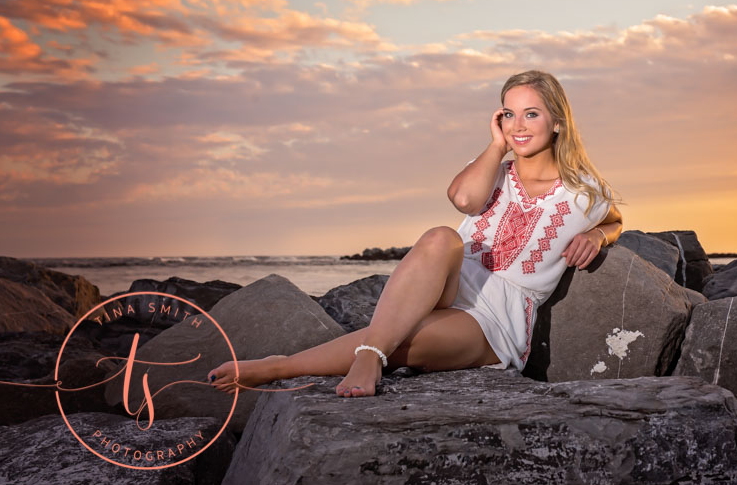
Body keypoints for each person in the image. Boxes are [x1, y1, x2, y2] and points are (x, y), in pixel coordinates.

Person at [208, 70, 622, 398]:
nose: (518, 124)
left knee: (406, 342)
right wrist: (497, 148)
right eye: (508, 113)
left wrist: (601, 235)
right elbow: (462, 199)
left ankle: (281, 365)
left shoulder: (584, 192)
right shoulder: (492, 169)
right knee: (442, 237)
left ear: (557, 122)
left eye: (531, 113)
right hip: (454, 281)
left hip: (497, 317)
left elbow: (615, 217)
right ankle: (369, 355)